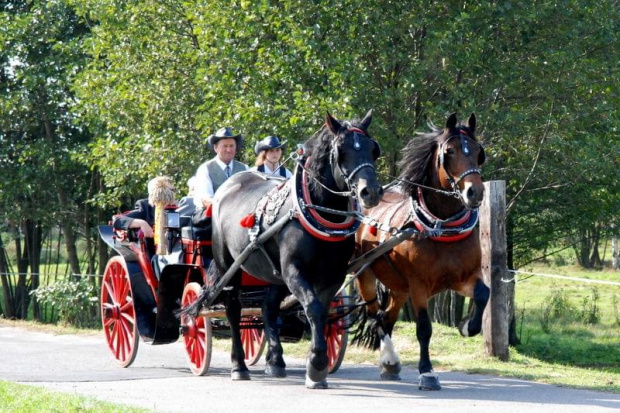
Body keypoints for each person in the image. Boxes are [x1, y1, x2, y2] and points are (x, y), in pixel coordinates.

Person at [193, 127, 249, 210]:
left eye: (231, 146)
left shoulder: (245, 168)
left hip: (241, 214)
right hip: (214, 215)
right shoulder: (205, 169)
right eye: (225, 146)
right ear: (216, 148)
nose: (229, 149)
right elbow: (205, 199)